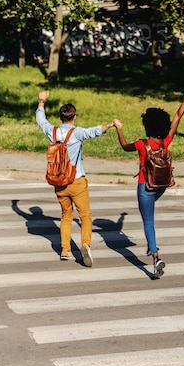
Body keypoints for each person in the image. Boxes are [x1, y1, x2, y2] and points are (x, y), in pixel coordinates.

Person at [113, 82, 184, 277]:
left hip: (145, 186)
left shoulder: (142, 144)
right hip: (162, 185)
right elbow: (178, 115)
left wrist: (118, 128)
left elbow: (124, 146)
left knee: (148, 221)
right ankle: (152, 246)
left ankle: (155, 256)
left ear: (147, 126)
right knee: (149, 213)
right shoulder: (166, 141)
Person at [36, 90, 117, 267]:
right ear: (74, 117)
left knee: (66, 215)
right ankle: (86, 244)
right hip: (77, 181)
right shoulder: (78, 133)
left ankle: (65, 250)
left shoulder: (52, 131)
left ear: (61, 116)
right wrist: (111, 124)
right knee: (85, 215)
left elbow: (40, 120)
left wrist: (42, 101)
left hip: (58, 182)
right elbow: (95, 131)